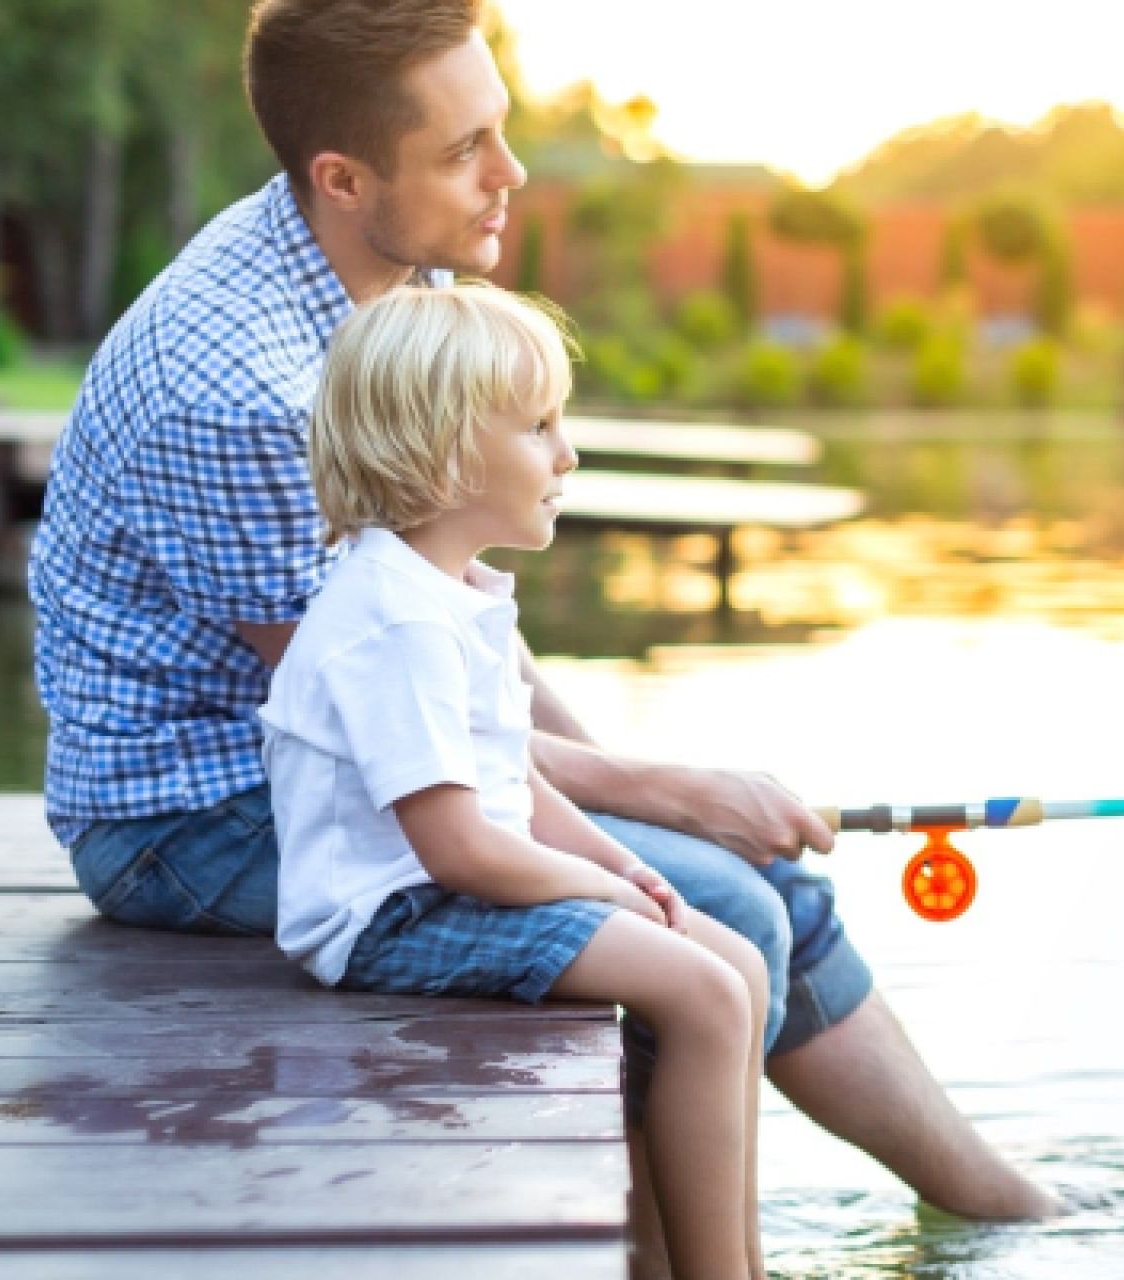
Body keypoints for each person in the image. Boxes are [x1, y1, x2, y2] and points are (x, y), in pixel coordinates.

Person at [26, 0, 1058, 1236]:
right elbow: (379, 711)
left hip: (367, 751)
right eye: (466, 150)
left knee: (755, 869)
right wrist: (659, 795)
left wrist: (644, 786)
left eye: (498, 132)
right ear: (343, 176)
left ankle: (984, 1203)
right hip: (190, 810)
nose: (509, 175)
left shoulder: (385, 275)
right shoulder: (245, 397)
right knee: (716, 900)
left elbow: (455, 639)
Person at [262, 285, 767, 1279]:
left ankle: (727, 1260)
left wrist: (625, 862)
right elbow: (459, 845)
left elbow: (514, 782)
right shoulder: (393, 619)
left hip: (451, 885)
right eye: (540, 427)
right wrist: (604, 889)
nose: (567, 454)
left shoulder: (448, 592)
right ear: (445, 453)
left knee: (737, 964)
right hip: (389, 916)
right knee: (704, 992)